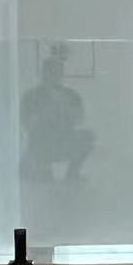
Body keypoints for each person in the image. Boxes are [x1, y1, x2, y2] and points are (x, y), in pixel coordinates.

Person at [20, 50, 95, 182]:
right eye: (51, 72)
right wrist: (46, 111)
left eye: (58, 73)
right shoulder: (31, 96)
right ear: (43, 74)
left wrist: (65, 108)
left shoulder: (71, 95)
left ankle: (72, 173)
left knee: (88, 136)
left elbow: (79, 119)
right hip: (42, 143)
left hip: (64, 140)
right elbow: (27, 124)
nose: (55, 77)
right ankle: (42, 168)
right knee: (34, 176)